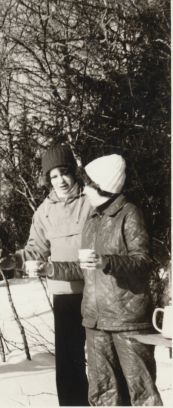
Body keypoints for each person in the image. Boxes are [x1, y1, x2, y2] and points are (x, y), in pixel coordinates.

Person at [38, 154, 163, 406]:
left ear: (102, 187)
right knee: (103, 394)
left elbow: (144, 261)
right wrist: (49, 268)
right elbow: (83, 268)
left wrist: (106, 261)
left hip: (126, 320)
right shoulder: (93, 220)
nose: (83, 188)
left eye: (88, 183)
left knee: (140, 394)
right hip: (95, 321)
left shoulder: (130, 214)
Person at [0, 145, 92, 406]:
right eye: (53, 175)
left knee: (104, 364)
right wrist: (10, 261)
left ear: (74, 172)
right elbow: (35, 250)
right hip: (65, 295)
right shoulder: (44, 210)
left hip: (98, 292)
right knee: (69, 368)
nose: (60, 180)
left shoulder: (92, 201)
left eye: (64, 173)